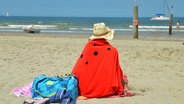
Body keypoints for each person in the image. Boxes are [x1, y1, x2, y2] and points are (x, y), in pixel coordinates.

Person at [72, 22, 130, 98]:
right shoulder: (112, 51)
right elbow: (115, 72)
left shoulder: (88, 47)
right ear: (106, 36)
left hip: (82, 88)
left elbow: (79, 68)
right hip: (105, 89)